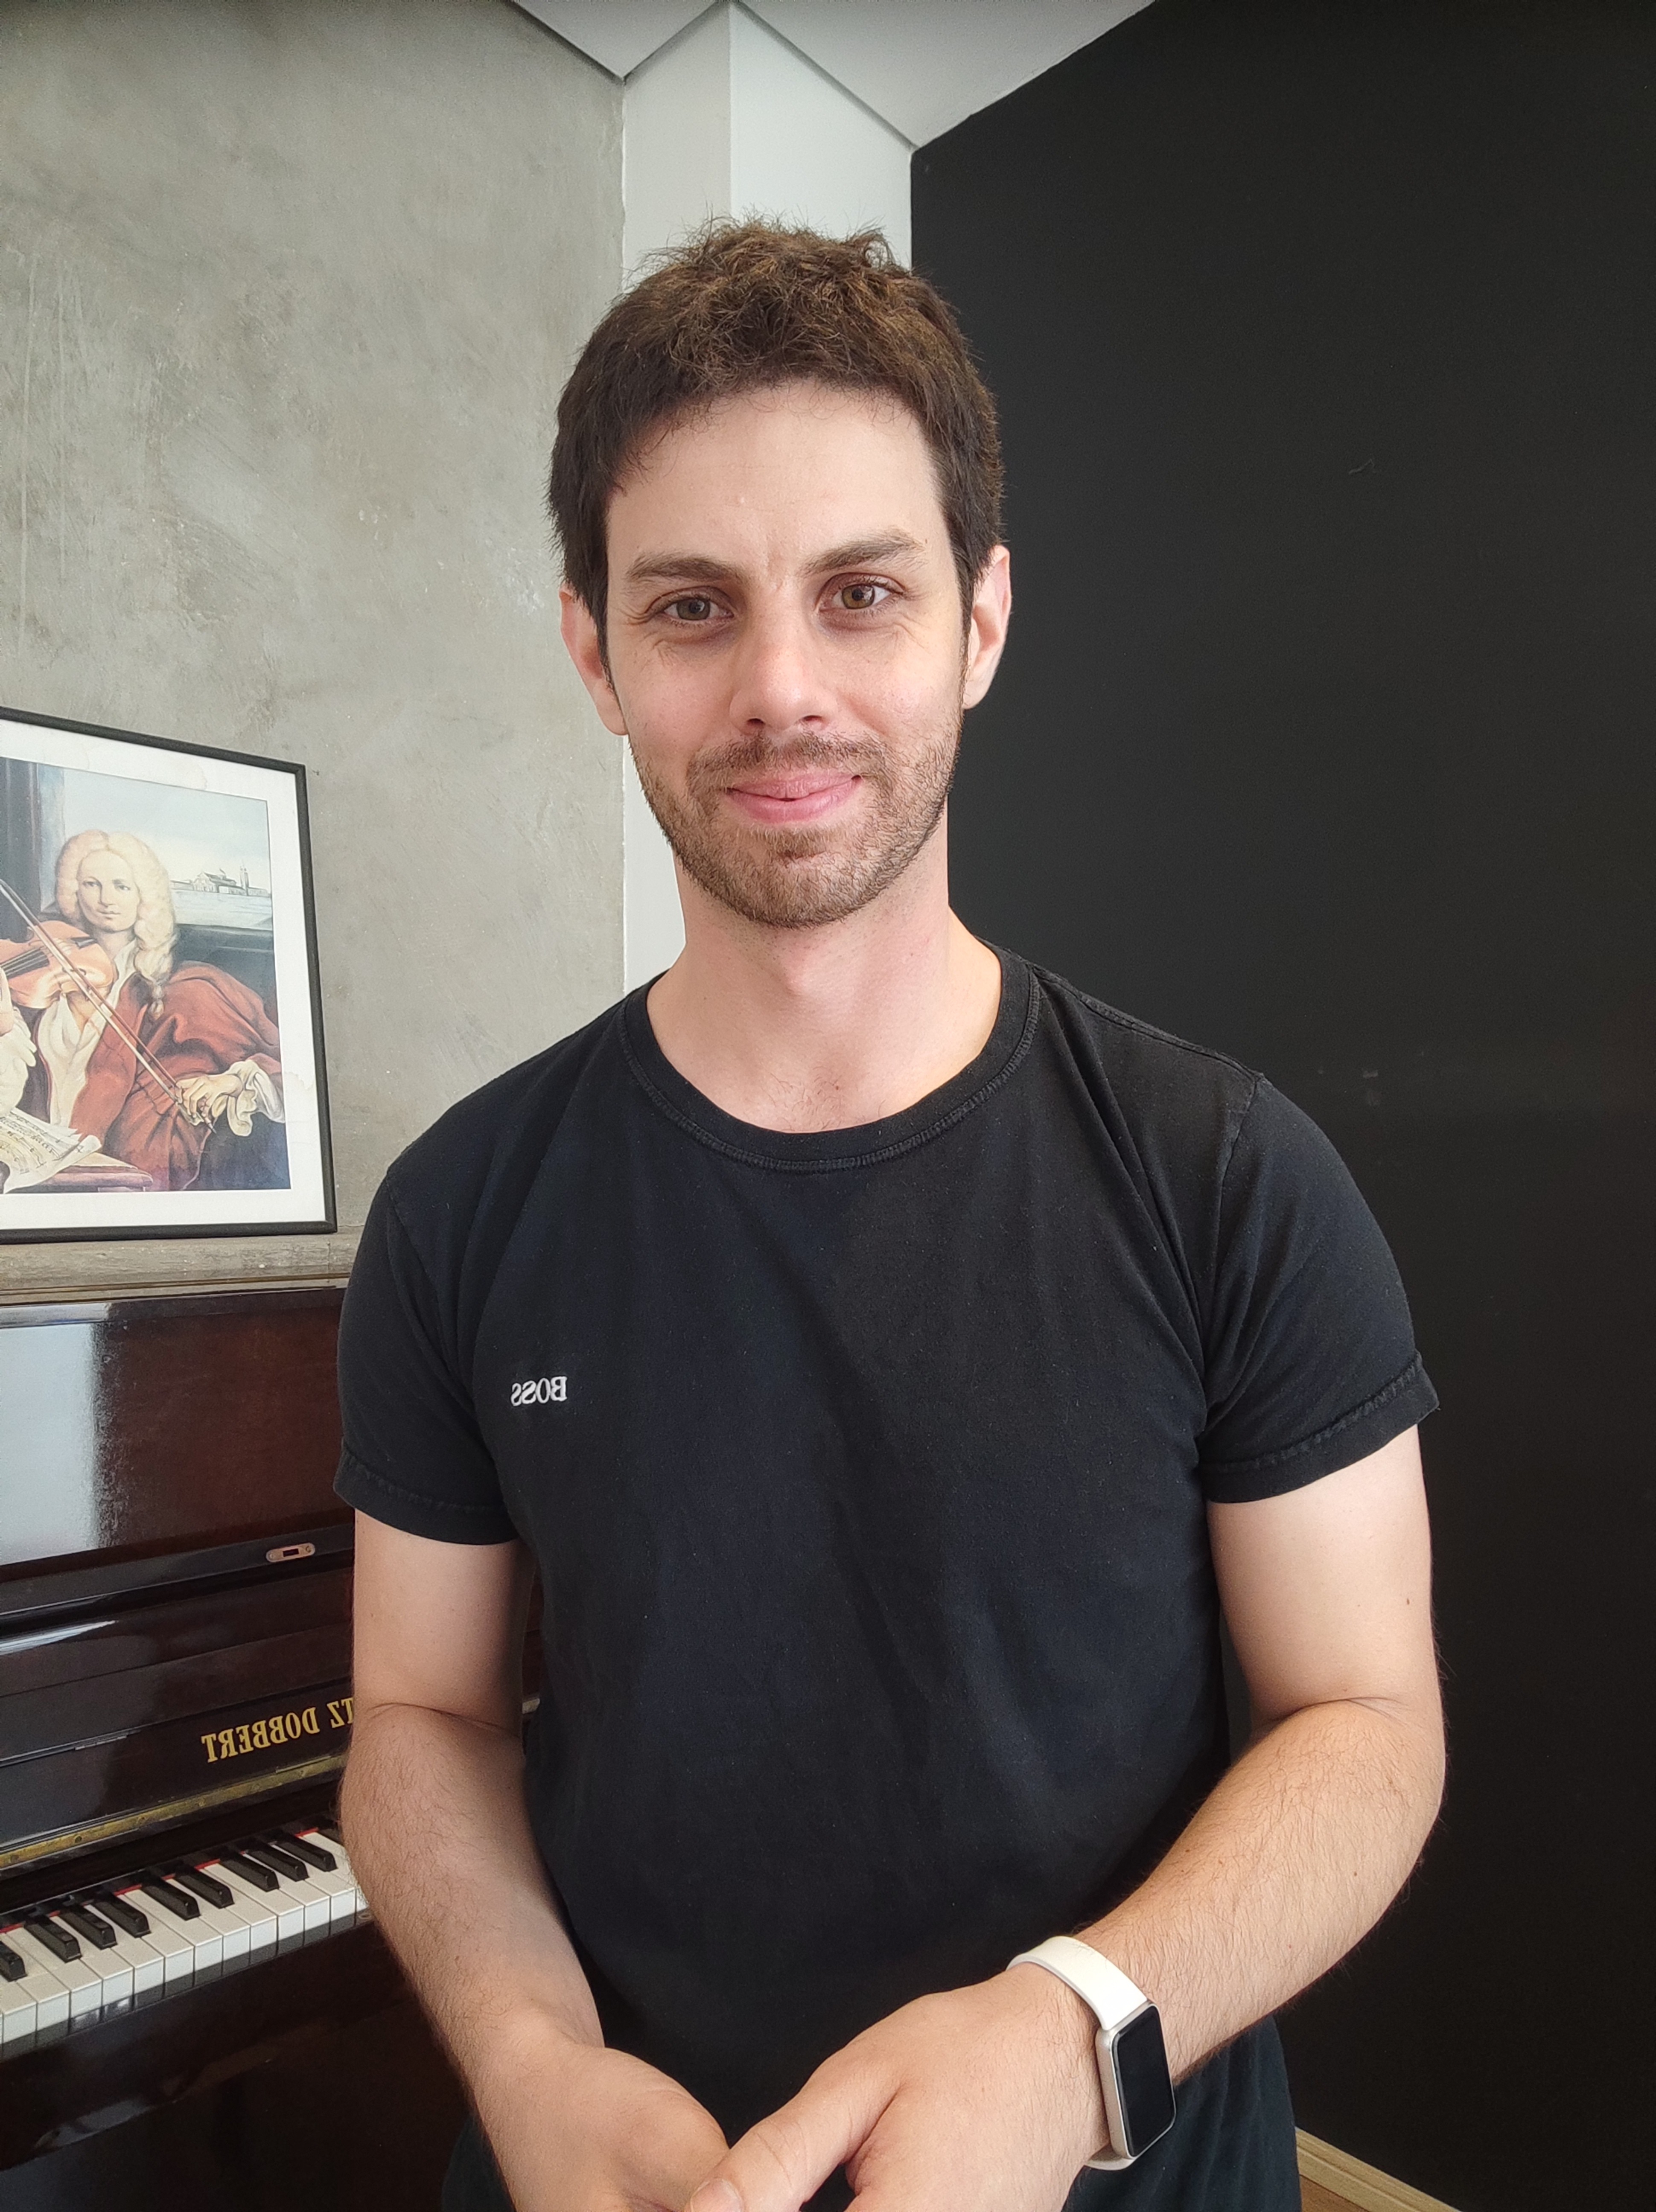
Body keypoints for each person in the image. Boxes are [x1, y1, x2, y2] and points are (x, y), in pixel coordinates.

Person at [337, 225, 1443, 2212]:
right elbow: (420, 1714)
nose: (783, 691)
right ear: (593, 650)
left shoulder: (1231, 1178)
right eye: (692, 606)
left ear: (981, 623)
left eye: (862, 595)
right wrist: (523, 2058)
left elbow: (1364, 1722)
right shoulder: (461, 1212)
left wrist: (1071, 2032)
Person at [0, 828, 284, 1190]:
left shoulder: (187, 989)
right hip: (38, 1171)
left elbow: (289, 1071)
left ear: (143, 897)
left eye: (122, 886)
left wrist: (230, 1080)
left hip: (113, 1177)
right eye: (91, 884)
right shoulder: (41, 984)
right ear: (74, 892)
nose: (106, 900)